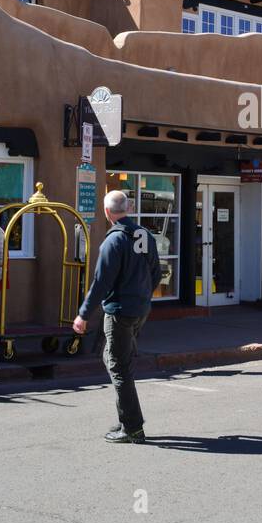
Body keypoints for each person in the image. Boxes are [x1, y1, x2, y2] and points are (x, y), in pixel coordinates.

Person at [72, 190, 163, 444]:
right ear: (128, 209)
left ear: (107, 212)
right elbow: (156, 272)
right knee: (113, 358)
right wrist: (143, 296)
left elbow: (101, 283)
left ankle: (132, 428)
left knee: (119, 367)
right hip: (140, 310)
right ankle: (127, 418)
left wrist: (83, 315)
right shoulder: (144, 235)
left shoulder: (113, 241)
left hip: (120, 312)